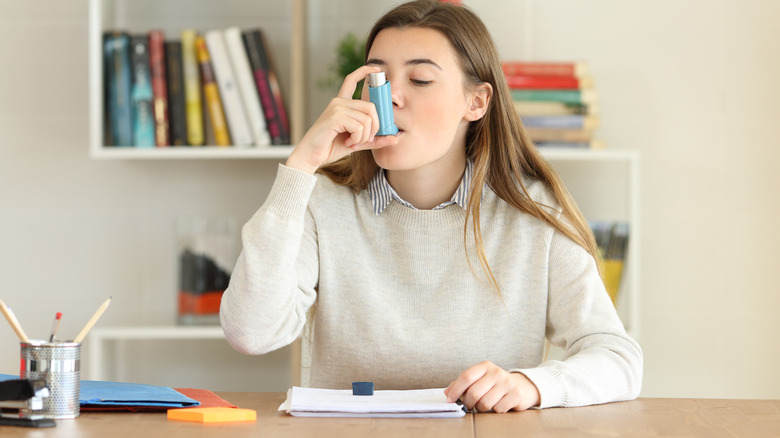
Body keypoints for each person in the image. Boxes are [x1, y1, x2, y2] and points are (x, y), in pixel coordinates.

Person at [220, 0, 642, 413]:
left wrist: (532, 384)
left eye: (420, 80)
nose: (391, 98)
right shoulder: (320, 202)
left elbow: (617, 358)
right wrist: (300, 168)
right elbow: (251, 333)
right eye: (378, 79)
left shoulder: (532, 213)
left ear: (476, 102)